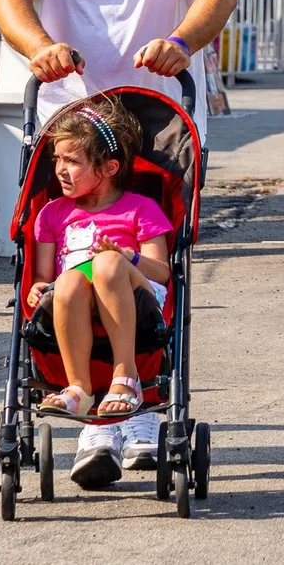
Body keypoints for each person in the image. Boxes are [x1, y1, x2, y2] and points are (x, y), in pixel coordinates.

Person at [0, 0, 239, 476]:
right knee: (69, 271)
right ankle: (96, 417)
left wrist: (183, 40)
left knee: (141, 267)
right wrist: (37, 44)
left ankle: (138, 412)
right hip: (70, 111)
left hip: (158, 112)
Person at [26, 96, 175, 472]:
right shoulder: (51, 215)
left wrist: (128, 257)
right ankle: (80, 387)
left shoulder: (140, 209)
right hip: (75, 300)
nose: (61, 169)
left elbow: (162, 272)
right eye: (57, 159)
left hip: (137, 297)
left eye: (73, 161)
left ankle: (126, 378)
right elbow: (44, 276)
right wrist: (38, 288)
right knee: (71, 280)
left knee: (106, 264)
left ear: (109, 167)